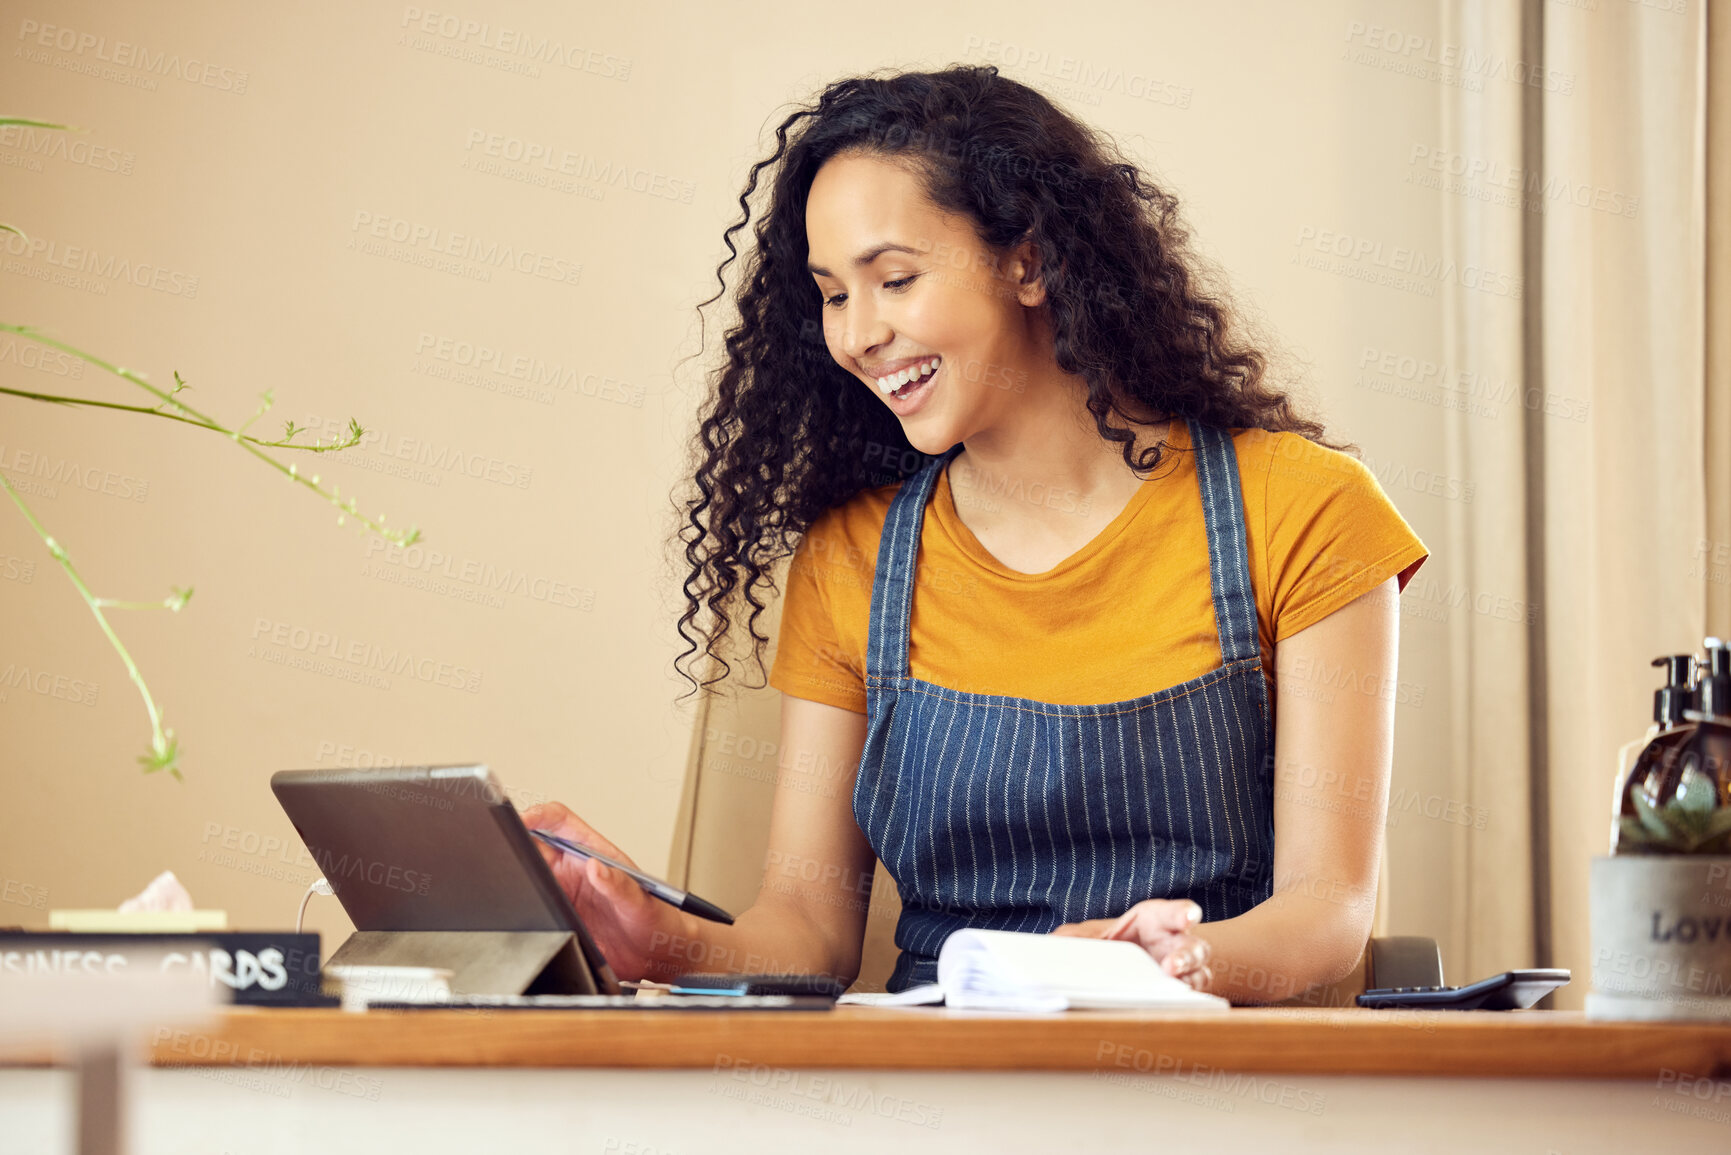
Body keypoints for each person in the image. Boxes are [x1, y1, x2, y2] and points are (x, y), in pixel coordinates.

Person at [525, 64, 1427, 1004]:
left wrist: (1154, 965)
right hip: (935, 1075)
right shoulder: (853, 557)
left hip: (1204, 1069)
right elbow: (808, 927)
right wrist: (653, 933)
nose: (859, 333)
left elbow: (1325, 914)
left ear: (1028, 263)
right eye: (833, 294)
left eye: (895, 279)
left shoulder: (1303, 509)